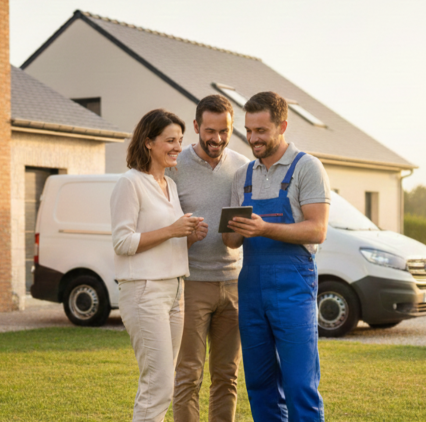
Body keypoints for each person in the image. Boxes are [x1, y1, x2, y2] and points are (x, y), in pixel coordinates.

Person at [222, 92, 330, 422]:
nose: (253, 138)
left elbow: (316, 230)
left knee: (300, 385)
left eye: (261, 131)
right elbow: (231, 241)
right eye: (248, 130)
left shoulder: (307, 168)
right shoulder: (243, 176)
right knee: (259, 384)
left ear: (282, 126)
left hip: (293, 286)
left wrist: (264, 228)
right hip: (252, 288)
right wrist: (233, 228)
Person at [111, 108, 208, 422]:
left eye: (180, 140)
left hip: (176, 291)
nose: (178, 147)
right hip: (144, 292)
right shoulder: (130, 183)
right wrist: (173, 230)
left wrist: (190, 237)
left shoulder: (171, 186)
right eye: (170, 140)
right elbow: (122, 242)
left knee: (165, 382)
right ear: (148, 142)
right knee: (159, 384)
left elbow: (169, 242)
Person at [166, 95, 249, 422]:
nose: (217, 139)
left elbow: (239, 233)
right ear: (197, 126)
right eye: (210, 130)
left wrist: (239, 233)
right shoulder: (175, 166)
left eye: (224, 131)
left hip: (233, 283)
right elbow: (161, 226)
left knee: (227, 375)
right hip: (191, 284)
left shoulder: (243, 167)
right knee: (189, 373)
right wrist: (185, 235)